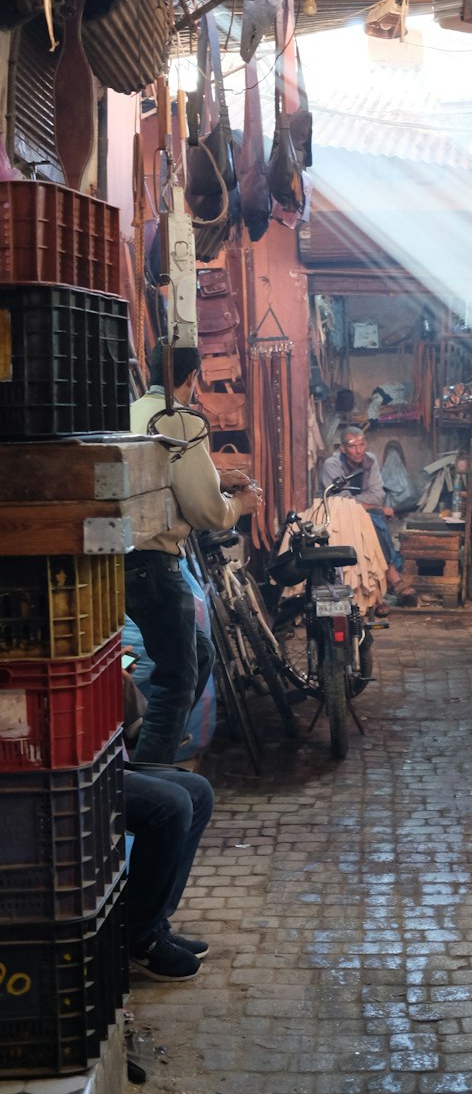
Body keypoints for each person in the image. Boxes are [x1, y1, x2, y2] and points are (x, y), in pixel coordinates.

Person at [126, 341, 261, 766]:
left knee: (198, 654)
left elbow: (166, 477)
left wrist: (217, 477)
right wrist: (240, 505)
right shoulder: (180, 419)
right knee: (177, 680)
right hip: (154, 562)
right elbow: (205, 512)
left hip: (124, 559)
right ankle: (153, 772)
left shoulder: (132, 414)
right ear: (192, 377)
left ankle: (148, 743)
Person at [123, 674, 213, 981]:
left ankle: (155, 922)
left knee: (198, 791)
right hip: (74, 776)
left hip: (105, 761)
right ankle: (140, 938)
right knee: (171, 805)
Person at [319, 426, 410, 593]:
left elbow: (378, 495)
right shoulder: (332, 465)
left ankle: (380, 587)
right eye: (353, 446)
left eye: (361, 444)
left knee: (377, 521)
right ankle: (390, 578)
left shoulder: (370, 461)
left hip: (363, 510)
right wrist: (371, 505)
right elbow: (341, 500)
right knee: (371, 523)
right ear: (343, 448)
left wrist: (369, 505)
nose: (358, 450)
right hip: (337, 513)